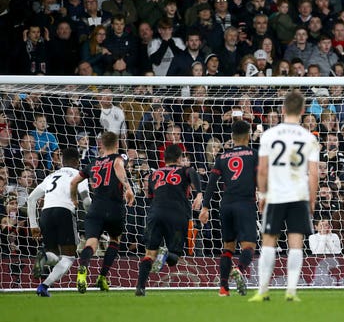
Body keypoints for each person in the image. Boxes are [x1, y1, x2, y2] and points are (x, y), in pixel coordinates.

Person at [249, 90, 319, 302]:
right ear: (302, 111)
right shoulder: (309, 138)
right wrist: (312, 201)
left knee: (268, 241)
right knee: (295, 243)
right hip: (298, 196)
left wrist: (262, 194)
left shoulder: (270, 135)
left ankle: (262, 291)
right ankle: (291, 290)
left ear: (282, 110)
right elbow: (314, 173)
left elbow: (262, 169)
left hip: (276, 195)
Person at [70, 131, 135, 294]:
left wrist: (74, 199)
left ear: (101, 145)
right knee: (115, 240)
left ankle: (82, 271)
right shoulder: (120, 157)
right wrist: (128, 188)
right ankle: (102, 277)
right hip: (115, 208)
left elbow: (73, 181)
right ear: (117, 144)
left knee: (91, 242)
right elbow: (118, 167)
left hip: (96, 207)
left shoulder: (92, 163)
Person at [199, 120, 258, 297]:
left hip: (226, 205)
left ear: (232, 137)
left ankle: (223, 288)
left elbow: (211, 184)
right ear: (248, 135)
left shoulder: (221, 157)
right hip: (245, 203)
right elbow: (262, 176)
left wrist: (205, 207)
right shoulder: (254, 154)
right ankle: (239, 269)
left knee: (228, 248)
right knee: (249, 246)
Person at [135, 144, 203, 296]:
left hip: (156, 213)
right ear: (179, 158)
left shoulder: (154, 174)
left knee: (149, 254)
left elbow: (149, 196)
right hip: (177, 215)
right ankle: (165, 253)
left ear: (164, 159)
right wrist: (199, 194)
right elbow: (192, 172)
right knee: (174, 257)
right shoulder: (185, 170)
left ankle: (140, 286)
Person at [27, 148, 90, 297]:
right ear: (77, 161)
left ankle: (43, 282)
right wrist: (92, 216)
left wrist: (33, 225)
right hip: (64, 212)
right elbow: (86, 200)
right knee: (68, 257)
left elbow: (31, 199)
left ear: (62, 161)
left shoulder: (51, 176)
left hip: (46, 214)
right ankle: (43, 283)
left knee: (53, 254)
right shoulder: (78, 174)